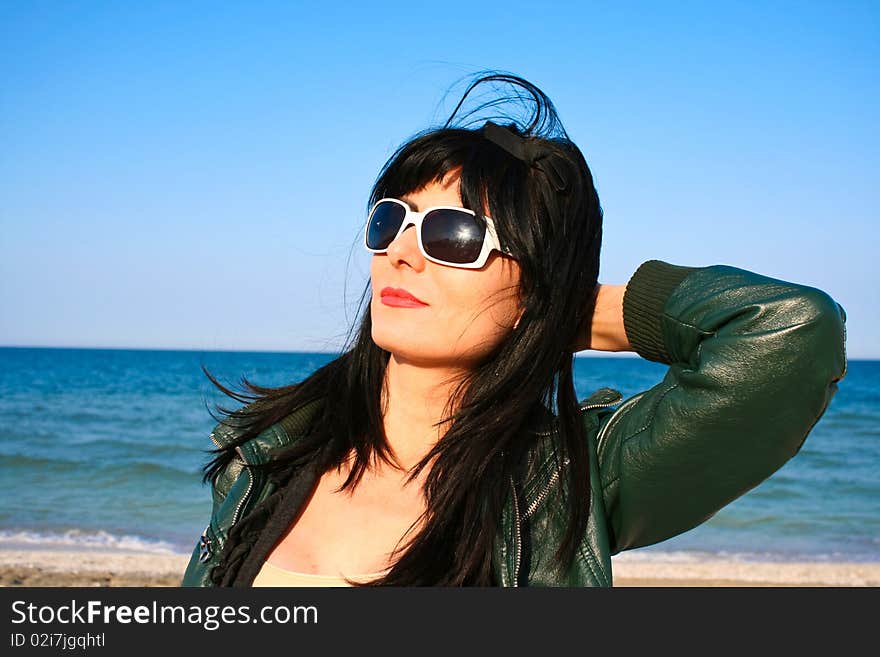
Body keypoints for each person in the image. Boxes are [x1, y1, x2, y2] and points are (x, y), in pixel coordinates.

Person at [181, 72, 848, 587]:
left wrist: (565, 309)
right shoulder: (267, 454)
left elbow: (791, 333)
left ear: (533, 284)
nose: (402, 253)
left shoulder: (566, 482)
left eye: (454, 234)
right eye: (392, 220)